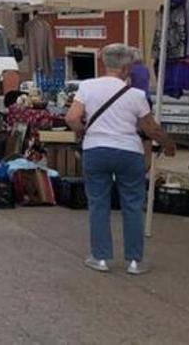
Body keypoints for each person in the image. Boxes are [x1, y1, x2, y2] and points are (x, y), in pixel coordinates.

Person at [64, 43, 176, 275]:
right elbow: (150, 128)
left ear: (106, 63)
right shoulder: (136, 95)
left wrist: (83, 132)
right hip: (128, 151)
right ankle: (134, 261)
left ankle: (100, 257)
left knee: (98, 204)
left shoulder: (87, 86)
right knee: (132, 205)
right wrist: (169, 144)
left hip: (96, 150)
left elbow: (72, 117)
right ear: (126, 68)